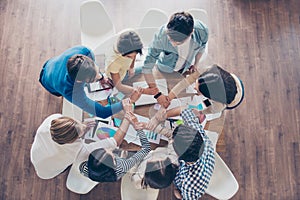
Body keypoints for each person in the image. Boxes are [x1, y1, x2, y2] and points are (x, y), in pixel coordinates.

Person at [39, 45, 140, 118]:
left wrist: (101, 77)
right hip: (48, 79)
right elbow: (102, 113)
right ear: (79, 81)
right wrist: (123, 104)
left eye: (97, 70)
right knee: (58, 94)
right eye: (94, 79)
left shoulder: (85, 51)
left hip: (53, 63)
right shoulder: (70, 91)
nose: (99, 76)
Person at [66, 111, 144, 194]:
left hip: (80, 179)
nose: (110, 149)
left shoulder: (82, 164)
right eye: (112, 155)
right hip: (88, 179)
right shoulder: (121, 169)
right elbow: (117, 140)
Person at [142, 11, 209, 107]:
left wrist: (196, 63)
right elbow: (147, 67)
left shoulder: (202, 31)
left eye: (177, 43)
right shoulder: (160, 37)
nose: (172, 44)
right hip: (165, 69)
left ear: (192, 33)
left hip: (185, 69)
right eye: (170, 39)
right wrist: (157, 94)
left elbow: (202, 47)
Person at [30, 114, 96, 179]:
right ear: (71, 141)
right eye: (81, 133)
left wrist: (82, 126)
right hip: (48, 170)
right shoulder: (75, 150)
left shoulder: (52, 119)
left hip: (38, 155)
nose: (84, 126)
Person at [172, 108, 215, 199]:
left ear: (179, 156)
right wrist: (163, 115)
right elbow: (183, 109)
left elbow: (186, 198)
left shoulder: (189, 184)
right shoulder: (195, 131)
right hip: (207, 160)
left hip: (189, 185)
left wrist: (176, 192)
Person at [166, 64, 245, 114]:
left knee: (204, 105)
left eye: (197, 90)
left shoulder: (218, 105)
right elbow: (185, 82)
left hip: (234, 99)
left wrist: (199, 110)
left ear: (210, 97)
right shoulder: (209, 70)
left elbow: (208, 110)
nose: (194, 87)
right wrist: (169, 97)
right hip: (230, 80)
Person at [105, 30, 158, 95]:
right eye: (129, 56)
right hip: (116, 78)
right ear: (122, 53)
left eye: (134, 55)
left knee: (144, 67)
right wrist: (145, 91)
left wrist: (131, 68)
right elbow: (119, 86)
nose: (132, 58)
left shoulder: (129, 39)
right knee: (121, 95)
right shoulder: (113, 62)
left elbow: (133, 55)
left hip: (125, 70)